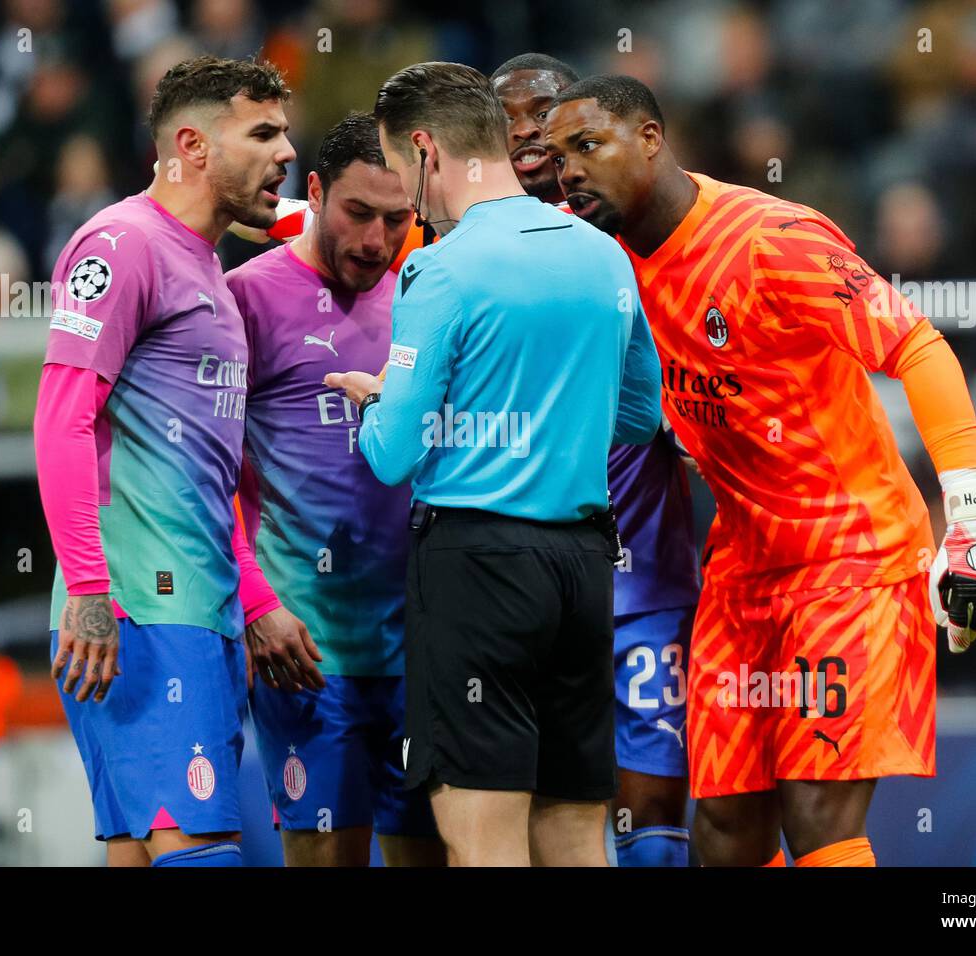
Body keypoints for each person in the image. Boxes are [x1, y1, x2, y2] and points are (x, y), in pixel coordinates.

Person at [544, 75, 976, 867]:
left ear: (652, 139)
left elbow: (918, 346)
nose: (569, 172)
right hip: (742, 572)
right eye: (557, 158)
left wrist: (971, 517)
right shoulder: (600, 263)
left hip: (852, 559)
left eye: (587, 146)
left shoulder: (770, 237)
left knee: (816, 815)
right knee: (725, 829)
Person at [326, 61, 662, 867]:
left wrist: (375, 405)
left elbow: (394, 455)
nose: (407, 193)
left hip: (477, 571)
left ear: (424, 150)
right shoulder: (602, 255)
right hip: (583, 569)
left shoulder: (439, 268)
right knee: (577, 834)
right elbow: (641, 417)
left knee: (483, 845)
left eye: (402, 168)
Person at [35, 54, 297, 867]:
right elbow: (58, 425)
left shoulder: (208, 268)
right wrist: (86, 591)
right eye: (262, 134)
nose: (287, 153)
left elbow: (215, 475)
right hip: (138, 609)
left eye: (285, 132)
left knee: (141, 850)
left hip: (196, 608)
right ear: (191, 144)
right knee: (202, 848)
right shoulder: (121, 245)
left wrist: (251, 601)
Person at [490, 53, 701, 867]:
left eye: (549, 117)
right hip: (530, 575)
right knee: (553, 809)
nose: (535, 137)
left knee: (652, 805)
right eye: (516, 121)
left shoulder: (645, 235)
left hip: (645, 569)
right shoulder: (465, 245)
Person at [225, 112, 444, 866]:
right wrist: (256, 604)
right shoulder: (243, 302)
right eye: (356, 214)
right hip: (308, 649)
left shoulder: (430, 291)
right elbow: (205, 476)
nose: (374, 242)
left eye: (396, 220)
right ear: (314, 192)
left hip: (427, 645)